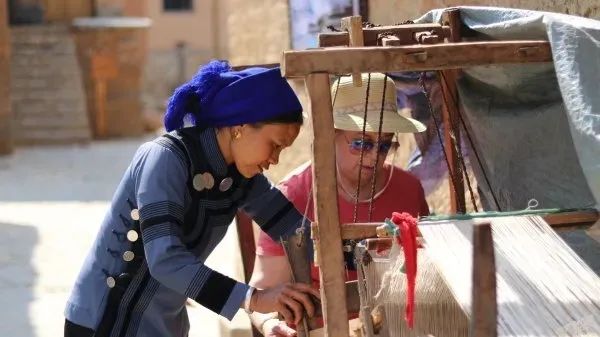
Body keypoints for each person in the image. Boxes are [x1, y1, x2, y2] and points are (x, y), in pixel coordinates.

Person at [63, 60, 320, 337]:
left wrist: (358, 255)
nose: (275, 159)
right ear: (240, 127)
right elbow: (165, 259)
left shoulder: (241, 177)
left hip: (162, 325)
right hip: (108, 320)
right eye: (275, 145)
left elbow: (297, 231)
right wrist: (254, 299)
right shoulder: (165, 159)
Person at [248, 73, 430, 337]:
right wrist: (269, 325)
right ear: (329, 135)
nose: (373, 156)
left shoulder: (409, 190)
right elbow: (263, 290)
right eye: (361, 143)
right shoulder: (292, 197)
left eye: (384, 145)